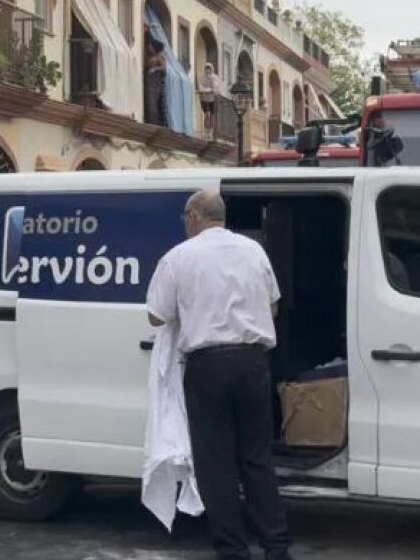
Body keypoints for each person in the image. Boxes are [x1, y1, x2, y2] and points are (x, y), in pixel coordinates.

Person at [146, 190, 291, 560]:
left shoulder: (179, 256)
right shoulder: (254, 251)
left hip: (207, 366)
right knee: (257, 459)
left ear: (194, 216)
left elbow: (156, 316)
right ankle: (276, 546)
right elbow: (273, 306)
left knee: (216, 464)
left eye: (185, 218)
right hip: (252, 362)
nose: (184, 224)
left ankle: (232, 550)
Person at [145, 38, 168, 126]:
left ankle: (155, 123)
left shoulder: (160, 57)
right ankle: (152, 122)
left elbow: (164, 68)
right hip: (151, 83)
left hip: (156, 84)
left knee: (154, 104)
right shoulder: (151, 56)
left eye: (151, 46)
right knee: (151, 103)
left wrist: (155, 69)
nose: (149, 47)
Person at [199, 63, 220, 133]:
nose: (207, 71)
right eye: (206, 69)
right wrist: (209, 90)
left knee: (212, 115)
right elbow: (201, 88)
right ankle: (206, 130)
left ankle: (211, 131)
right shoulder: (202, 78)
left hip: (212, 99)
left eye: (209, 69)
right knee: (207, 114)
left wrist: (211, 84)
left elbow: (215, 89)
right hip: (204, 99)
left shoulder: (214, 78)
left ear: (211, 70)